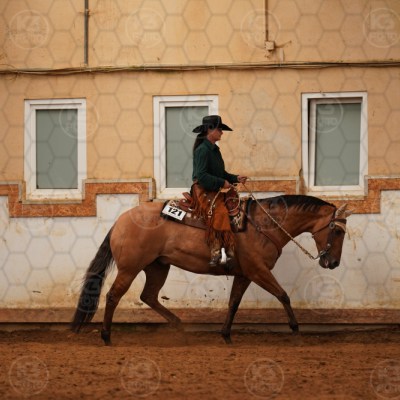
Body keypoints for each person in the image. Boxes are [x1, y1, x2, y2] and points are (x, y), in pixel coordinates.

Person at [191, 115, 247, 267]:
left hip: (213, 190)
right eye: (219, 129)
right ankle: (217, 250)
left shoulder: (215, 150)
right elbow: (201, 176)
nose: (222, 132)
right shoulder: (202, 150)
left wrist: (235, 178)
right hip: (202, 190)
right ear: (210, 130)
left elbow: (221, 173)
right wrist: (222, 182)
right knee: (220, 212)